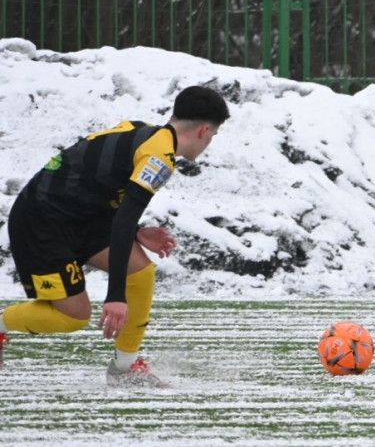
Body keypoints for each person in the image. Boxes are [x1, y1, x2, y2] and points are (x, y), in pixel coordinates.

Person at [0, 85, 229, 387]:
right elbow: (122, 220)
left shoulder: (147, 134)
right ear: (203, 130)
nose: (209, 143)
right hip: (42, 221)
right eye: (213, 136)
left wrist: (137, 232)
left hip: (80, 218)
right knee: (73, 317)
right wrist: (116, 296)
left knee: (141, 272)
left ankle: (123, 369)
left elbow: (98, 190)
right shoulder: (158, 156)